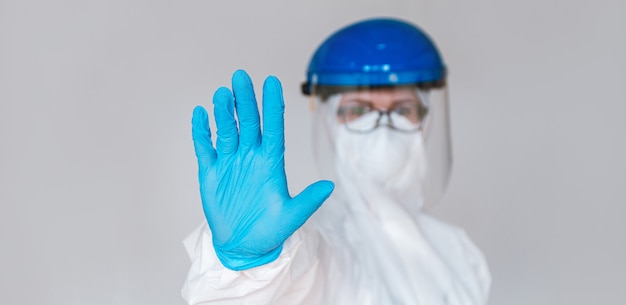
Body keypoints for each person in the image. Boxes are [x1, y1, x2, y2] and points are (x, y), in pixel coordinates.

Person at [183, 17, 491, 305]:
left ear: (423, 120)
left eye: (402, 110)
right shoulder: (325, 241)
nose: (383, 130)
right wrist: (249, 267)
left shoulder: (458, 252)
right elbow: (290, 280)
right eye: (358, 111)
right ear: (330, 122)